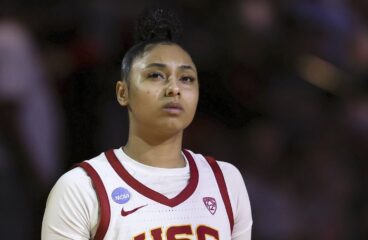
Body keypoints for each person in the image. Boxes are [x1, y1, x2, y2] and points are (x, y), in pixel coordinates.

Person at [42, 8, 252, 240]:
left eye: (186, 78)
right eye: (155, 75)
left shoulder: (226, 181)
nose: (174, 89)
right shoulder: (81, 188)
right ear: (123, 93)